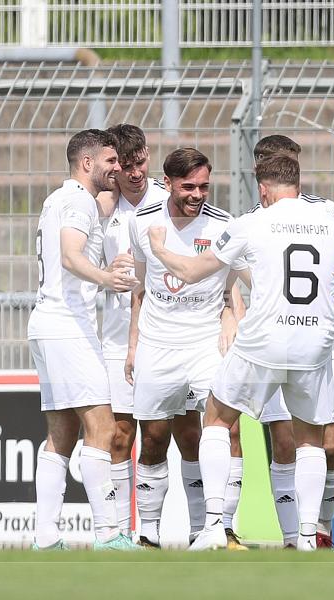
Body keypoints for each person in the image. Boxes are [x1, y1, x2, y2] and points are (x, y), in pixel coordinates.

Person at [147, 155, 334, 551]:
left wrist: (160, 250)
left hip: (265, 339)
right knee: (310, 440)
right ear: (298, 186)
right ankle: (306, 536)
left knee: (216, 418)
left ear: (264, 190)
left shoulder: (251, 223)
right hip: (315, 343)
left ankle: (215, 527)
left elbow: (192, 272)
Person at [126, 147, 247, 548]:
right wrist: (133, 345)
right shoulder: (143, 223)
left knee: (223, 429)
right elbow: (139, 289)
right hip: (158, 343)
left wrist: (232, 320)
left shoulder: (223, 224)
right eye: (188, 186)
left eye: (204, 186)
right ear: (168, 183)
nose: (197, 194)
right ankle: (148, 532)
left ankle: (216, 528)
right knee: (156, 437)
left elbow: (231, 283)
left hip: (204, 341)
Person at [27, 129, 141, 551]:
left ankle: (45, 538)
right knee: (103, 427)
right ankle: (109, 535)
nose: (118, 167)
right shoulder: (78, 200)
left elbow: (70, 258)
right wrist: (108, 277)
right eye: (111, 160)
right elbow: (70, 256)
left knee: (61, 435)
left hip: (47, 323)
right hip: (67, 327)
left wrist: (105, 269)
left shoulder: (58, 199)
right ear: (87, 163)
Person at [252, 135, 334, 548]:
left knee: (330, 444)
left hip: (325, 344)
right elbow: (230, 277)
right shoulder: (251, 222)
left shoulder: (328, 214)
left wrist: (330, 293)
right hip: (275, 342)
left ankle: (322, 528)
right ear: (259, 173)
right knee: (285, 443)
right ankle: (293, 540)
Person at [97, 124, 164, 538]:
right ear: (114, 168)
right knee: (120, 433)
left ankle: (155, 533)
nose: (136, 172)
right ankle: (121, 535)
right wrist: (105, 273)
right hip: (117, 335)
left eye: (141, 162)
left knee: (161, 433)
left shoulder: (167, 201)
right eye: (127, 166)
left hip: (162, 335)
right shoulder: (102, 208)